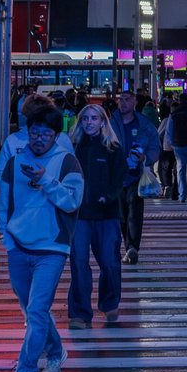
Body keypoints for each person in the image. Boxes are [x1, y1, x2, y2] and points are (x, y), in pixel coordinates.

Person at [0, 103, 84, 372]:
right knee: (33, 310)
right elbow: (4, 204)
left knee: (36, 309)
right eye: (34, 133)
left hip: (52, 247)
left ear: (55, 136)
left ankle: (26, 370)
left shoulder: (68, 162)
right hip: (18, 246)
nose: (38, 139)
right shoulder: (13, 162)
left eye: (45, 134)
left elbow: (72, 202)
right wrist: (7, 239)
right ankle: (56, 352)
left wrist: (45, 179)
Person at [67, 104, 127, 329]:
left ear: (103, 122)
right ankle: (80, 313)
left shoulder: (112, 149)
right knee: (79, 263)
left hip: (106, 215)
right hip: (80, 215)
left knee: (110, 262)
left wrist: (108, 197)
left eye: (94, 118)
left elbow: (119, 179)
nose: (89, 122)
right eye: (85, 119)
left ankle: (110, 303)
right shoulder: (73, 148)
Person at [106, 89, 158, 265]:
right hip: (116, 176)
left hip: (136, 174)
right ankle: (128, 245)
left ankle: (132, 247)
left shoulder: (143, 124)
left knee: (134, 212)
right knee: (121, 214)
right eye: (120, 99)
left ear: (134, 101)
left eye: (127, 99)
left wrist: (147, 158)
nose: (123, 102)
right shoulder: (110, 122)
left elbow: (154, 145)